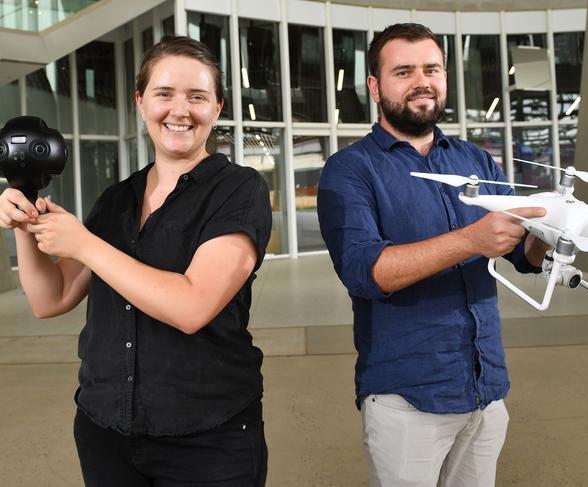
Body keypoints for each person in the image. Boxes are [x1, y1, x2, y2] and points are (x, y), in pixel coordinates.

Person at [0, 36, 271, 486]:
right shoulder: (116, 199)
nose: (179, 110)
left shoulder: (238, 191)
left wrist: (85, 244)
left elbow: (192, 307)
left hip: (208, 438)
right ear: (141, 102)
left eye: (197, 96)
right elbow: (52, 298)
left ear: (217, 107)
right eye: (164, 93)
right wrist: (25, 220)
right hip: (105, 430)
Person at [317, 23, 549, 487]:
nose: (422, 80)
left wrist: (550, 229)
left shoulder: (475, 161)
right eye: (403, 71)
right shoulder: (350, 170)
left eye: (432, 69)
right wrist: (471, 240)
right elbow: (365, 272)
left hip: (486, 391)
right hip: (408, 397)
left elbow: (524, 257)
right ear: (374, 87)